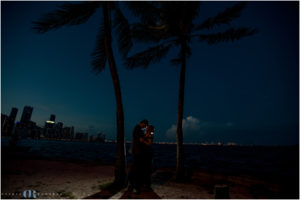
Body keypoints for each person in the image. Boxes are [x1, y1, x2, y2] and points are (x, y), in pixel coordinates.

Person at [128, 119, 148, 193]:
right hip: (137, 151)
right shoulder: (137, 129)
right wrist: (146, 137)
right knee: (136, 169)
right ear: (142, 123)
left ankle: (129, 181)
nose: (145, 127)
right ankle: (135, 186)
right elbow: (141, 140)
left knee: (134, 168)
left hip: (136, 151)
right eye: (145, 126)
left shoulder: (137, 129)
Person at [141, 125, 154, 189]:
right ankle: (144, 183)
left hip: (148, 154)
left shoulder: (150, 135)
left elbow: (150, 144)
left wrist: (143, 141)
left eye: (146, 128)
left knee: (147, 169)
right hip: (144, 153)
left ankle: (147, 184)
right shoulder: (146, 134)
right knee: (144, 169)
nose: (145, 129)